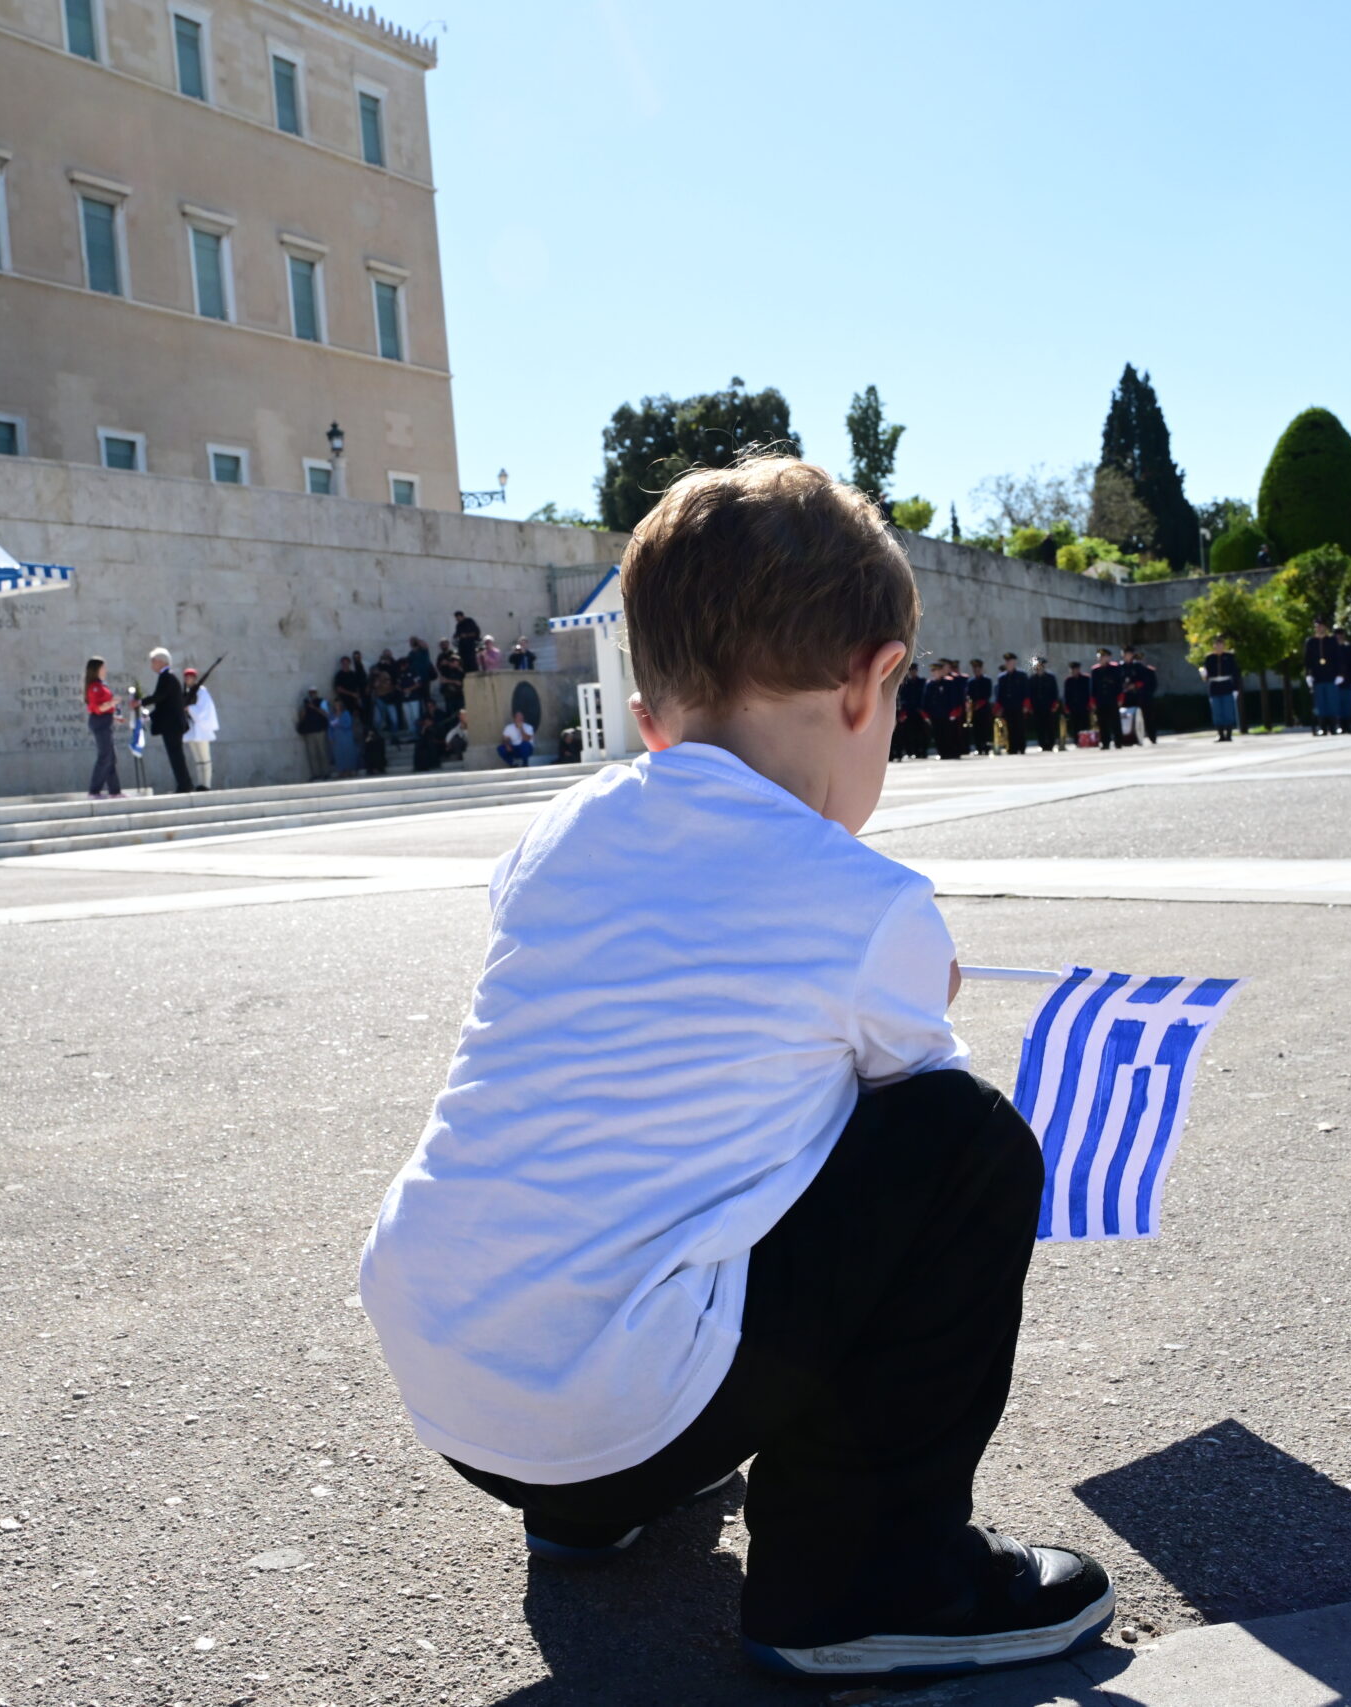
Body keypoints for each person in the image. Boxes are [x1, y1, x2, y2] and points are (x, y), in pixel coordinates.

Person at [358, 455, 1112, 1682]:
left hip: (457, 1378)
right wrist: (912, 979)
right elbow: (901, 1141)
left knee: (646, 1158)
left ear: (650, 717)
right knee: (965, 1143)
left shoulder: (555, 838)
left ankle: (589, 1507)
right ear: (869, 683)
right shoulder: (863, 897)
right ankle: (866, 1582)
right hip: (620, 1403)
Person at [145, 648, 195, 793]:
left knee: (176, 755)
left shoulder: (166, 677)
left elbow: (159, 697)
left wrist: (140, 702)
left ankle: (185, 786)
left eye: (153, 661)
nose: (151, 665)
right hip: (173, 725)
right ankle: (184, 785)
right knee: (176, 755)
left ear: (161, 661)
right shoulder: (168, 677)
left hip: (172, 726)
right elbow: (164, 704)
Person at [84, 658, 122, 798]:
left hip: (105, 721)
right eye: (103, 667)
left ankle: (115, 791)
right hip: (100, 722)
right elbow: (97, 708)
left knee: (111, 757)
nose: (106, 670)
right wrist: (112, 703)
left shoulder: (101, 685)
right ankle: (94, 790)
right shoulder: (94, 687)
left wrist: (113, 716)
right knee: (105, 756)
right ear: (96, 669)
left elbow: (103, 708)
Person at [1304, 619, 1349, 736]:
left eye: (1321, 626)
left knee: (1332, 703)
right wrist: (1308, 675)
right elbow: (1307, 661)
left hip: (1331, 676)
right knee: (1320, 704)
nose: (1319, 629)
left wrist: (1340, 674)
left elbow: (1339, 658)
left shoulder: (1332, 641)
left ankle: (1333, 727)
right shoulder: (1310, 642)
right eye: (1317, 626)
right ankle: (1322, 727)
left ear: (1325, 627)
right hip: (1317, 677)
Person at [182, 665, 220, 788]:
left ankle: (206, 784)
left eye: (190, 677)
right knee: (198, 759)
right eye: (186, 677)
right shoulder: (187, 692)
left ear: (194, 678)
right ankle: (200, 784)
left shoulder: (202, 691)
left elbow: (204, 709)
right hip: (191, 729)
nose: (187, 679)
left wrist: (189, 708)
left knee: (205, 758)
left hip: (201, 729)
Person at [922, 660, 967, 760]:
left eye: (937, 671)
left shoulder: (949, 682)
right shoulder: (930, 684)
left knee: (950, 734)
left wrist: (954, 712)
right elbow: (926, 700)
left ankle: (952, 752)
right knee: (938, 734)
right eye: (934, 671)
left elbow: (954, 698)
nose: (936, 673)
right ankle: (942, 753)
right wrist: (926, 714)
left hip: (948, 714)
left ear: (941, 671)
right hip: (935, 714)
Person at [1202, 640, 1239, 741]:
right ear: (1214, 646)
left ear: (1223, 646)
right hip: (1214, 687)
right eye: (1217, 645)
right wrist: (1204, 674)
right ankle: (1221, 735)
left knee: (1228, 712)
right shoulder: (1209, 658)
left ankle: (1229, 735)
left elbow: (1235, 673)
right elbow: (1206, 675)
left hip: (1227, 686)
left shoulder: (1229, 656)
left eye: (1220, 645)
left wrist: (1236, 688)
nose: (1218, 647)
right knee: (1217, 712)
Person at [993, 654, 1029, 755]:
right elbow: (1000, 695)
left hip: (1019, 706)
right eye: (1007, 662)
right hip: (1007, 707)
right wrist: (998, 708)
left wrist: (1026, 706)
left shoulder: (1022, 675)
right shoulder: (1002, 677)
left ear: (1014, 662)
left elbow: (1026, 692)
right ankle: (1012, 748)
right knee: (1009, 728)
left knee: (1020, 727)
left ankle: (1021, 747)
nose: (1008, 663)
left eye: (1010, 661)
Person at [1087, 649, 1124, 749]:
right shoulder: (1095, 670)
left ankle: (1118, 742)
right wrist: (1092, 701)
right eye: (1100, 657)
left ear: (1108, 657)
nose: (1101, 659)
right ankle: (1105, 743)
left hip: (1112, 699)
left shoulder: (1115, 668)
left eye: (1103, 657)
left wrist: (1120, 698)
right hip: (1100, 700)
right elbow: (1093, 687)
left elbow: (1119, 685)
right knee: (1102, 722)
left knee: (1115, 722)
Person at [296, 687, 334, 780]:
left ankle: (326, 772)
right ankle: (316, 774)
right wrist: (305, 708)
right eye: (310, 692)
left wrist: (314, 707)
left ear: (317, 693)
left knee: (322, 752)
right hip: (309, 731)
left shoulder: (322, 702)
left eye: (313, 692)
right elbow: (301, 717)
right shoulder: (306, 703)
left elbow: (326, 714)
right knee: (312, 754)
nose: (312, 694)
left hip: (320, 731)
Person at [1027, 658, 1063, 753]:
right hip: (1037, 707)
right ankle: (1042, 744)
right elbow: (1029, 694)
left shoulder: (1050, 677)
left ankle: (1051, 744)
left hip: (1049, 707)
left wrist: (1054, 705)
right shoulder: (1032, 679)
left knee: (1050, 726)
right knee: (1039, 727)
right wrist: (1030, 707)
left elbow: (1055, 693)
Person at [1060, 661, 1093, 748]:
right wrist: (1066, 707)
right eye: (1072, 669)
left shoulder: (1086, 678)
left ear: (1078, 669)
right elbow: (1066, 695)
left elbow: (1090, 692)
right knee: (1075, 726)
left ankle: (1086, 741)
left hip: (1084, 706)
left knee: (1085, 724)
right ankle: (1077, 742)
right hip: (1073, 707)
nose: (1074, 671)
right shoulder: (1068, 680)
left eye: (1075, 669)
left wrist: (1090, 704)